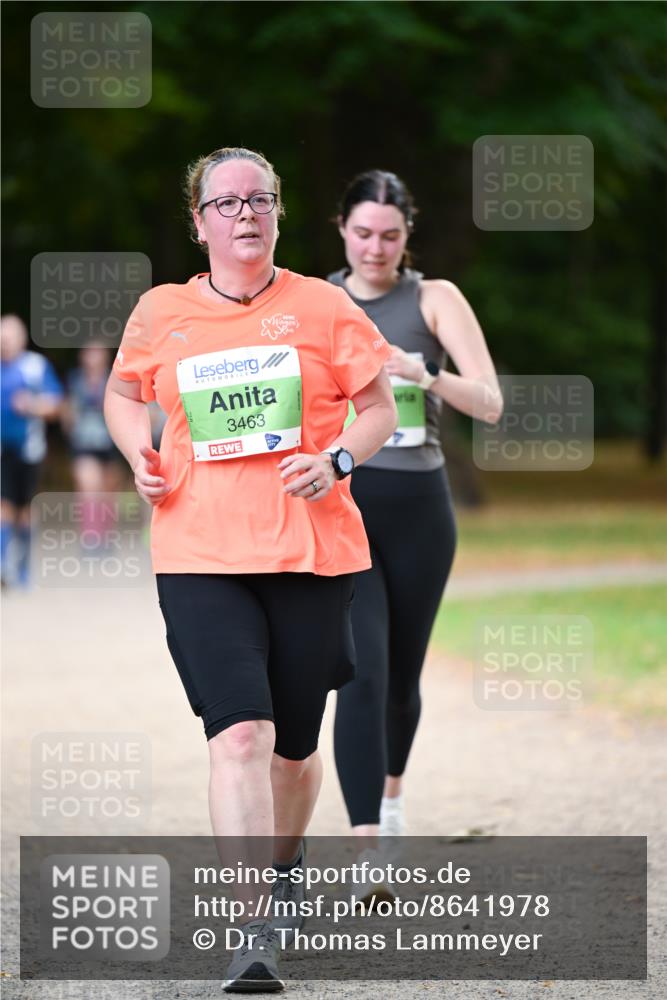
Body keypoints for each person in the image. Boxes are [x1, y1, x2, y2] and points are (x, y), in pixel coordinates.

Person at [103, 147, 397, 992]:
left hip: (309, 553)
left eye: (259, 200)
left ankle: (285, 858)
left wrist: (336, 460)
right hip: (198, 553)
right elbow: (123, 393)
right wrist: (137, 451)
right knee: (239, 736)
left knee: (293, 754)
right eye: (226, 203)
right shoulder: (161, 312)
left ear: (277, 213)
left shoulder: (324, 307)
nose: (245, 214)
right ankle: (252, 930)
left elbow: (378, 408)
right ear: (198, 222)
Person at [329, 170, 503, 895]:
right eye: (363, 233)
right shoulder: (314, 300)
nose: (376, 248)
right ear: (342, 230)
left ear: (408, 235)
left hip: (419, 510)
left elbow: (489, 403)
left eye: (390, 236)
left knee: (401, 681)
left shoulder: (435, 299)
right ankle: (367, 847)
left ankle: (392, 800)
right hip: (344, 506)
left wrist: (423, 373)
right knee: (360, 674)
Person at [1, 314, 63, 588]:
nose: (5, 342)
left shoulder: (35, 367)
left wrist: (32, 405)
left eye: (9, 337)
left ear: (21, 338)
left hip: (30, 450)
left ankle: (23, 568)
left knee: (25, 510)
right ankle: (3, 565)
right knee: (3, 507)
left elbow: (56, 405)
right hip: (3, 451)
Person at [62, 344, 123, 540]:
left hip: (112, 443)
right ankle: (90, 537)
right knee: (89, 486)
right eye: (89, 353)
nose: (93, 358)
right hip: (84, 444)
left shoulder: (115, 379)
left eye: (97, 353)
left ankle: (106, 536)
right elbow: (67, 410)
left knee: (108, 491)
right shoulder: (75, 380)